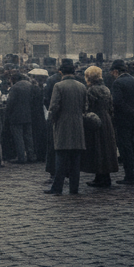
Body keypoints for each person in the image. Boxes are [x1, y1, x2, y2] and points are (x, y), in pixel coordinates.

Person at [44, 62, 87, 195]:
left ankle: (57, 188)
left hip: (62, 125)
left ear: (61, 72)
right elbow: (85, 106)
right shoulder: (82, 86)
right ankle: (74, 189)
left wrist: (51, 119)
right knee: (75, 161)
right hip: (78, 125)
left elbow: (54, 106)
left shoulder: (59, 86)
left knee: (61, 159)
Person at [82, 65, 119, 187]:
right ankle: (104, 176)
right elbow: (111, 107)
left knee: (97, 148)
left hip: (95, 119)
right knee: (106, 148)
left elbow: (88, 107)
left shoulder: (91, 90)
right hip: (106, 119)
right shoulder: (106, 88)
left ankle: (100, 176)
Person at [111, 59, 134, 185]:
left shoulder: (117, 83)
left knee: (126, 148)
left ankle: (129, 175)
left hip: (123, 120)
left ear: (115, 71)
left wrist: (131, 111)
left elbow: (117, 102)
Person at [4, 72, 35, 164]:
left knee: (19, 138)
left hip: (16, 116)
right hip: (28, 115)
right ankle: (31, 155)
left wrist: (7, 113)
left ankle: (21, 157)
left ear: (13, 79)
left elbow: (10, 103)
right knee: (29, 137)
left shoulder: (15, 88)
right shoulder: (30, 85)